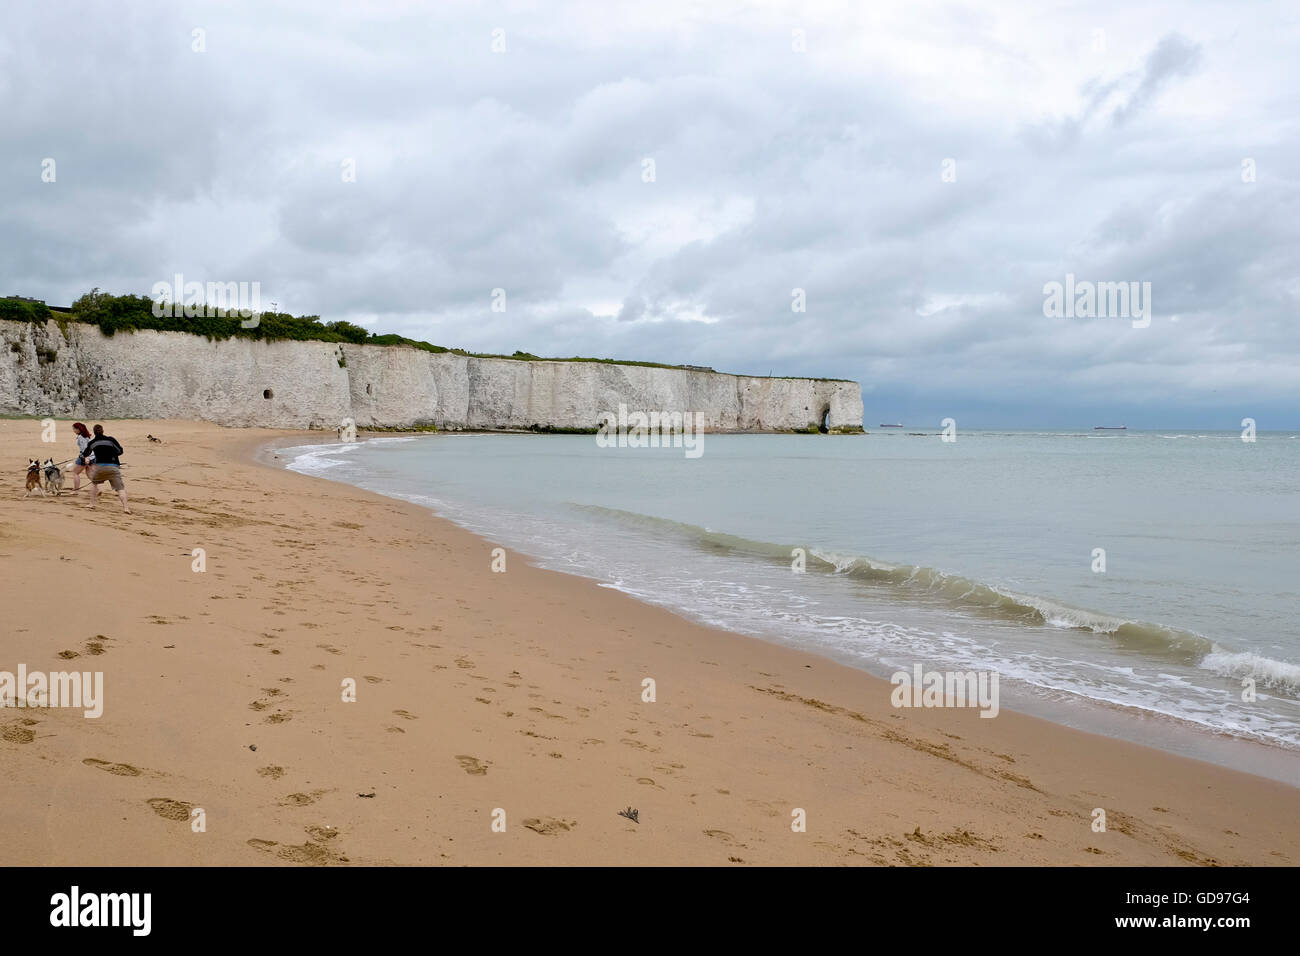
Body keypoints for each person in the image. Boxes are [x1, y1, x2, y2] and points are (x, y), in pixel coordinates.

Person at [83, 424, 130, 513]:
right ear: (103, 431)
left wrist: (85, 458)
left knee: (94, 483)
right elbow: (120, 451)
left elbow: (86, 453)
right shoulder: (111, 440)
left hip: (100, 467)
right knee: (120, 489)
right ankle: (126, 508)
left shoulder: (92, 442)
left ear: (94, 432)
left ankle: (91, 504)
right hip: (113, 467)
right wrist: (112, 454)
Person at [69, 422, 93, 493]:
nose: (73, 430)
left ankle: (75, 490)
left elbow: (84, 448)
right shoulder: (87, 436)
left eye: (74, 429)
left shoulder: (81, 437)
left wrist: (84, 457)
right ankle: (98, 489)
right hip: (91, 457)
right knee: (89, 474)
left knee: (75, 472)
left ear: (78, 429)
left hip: (84, 457)